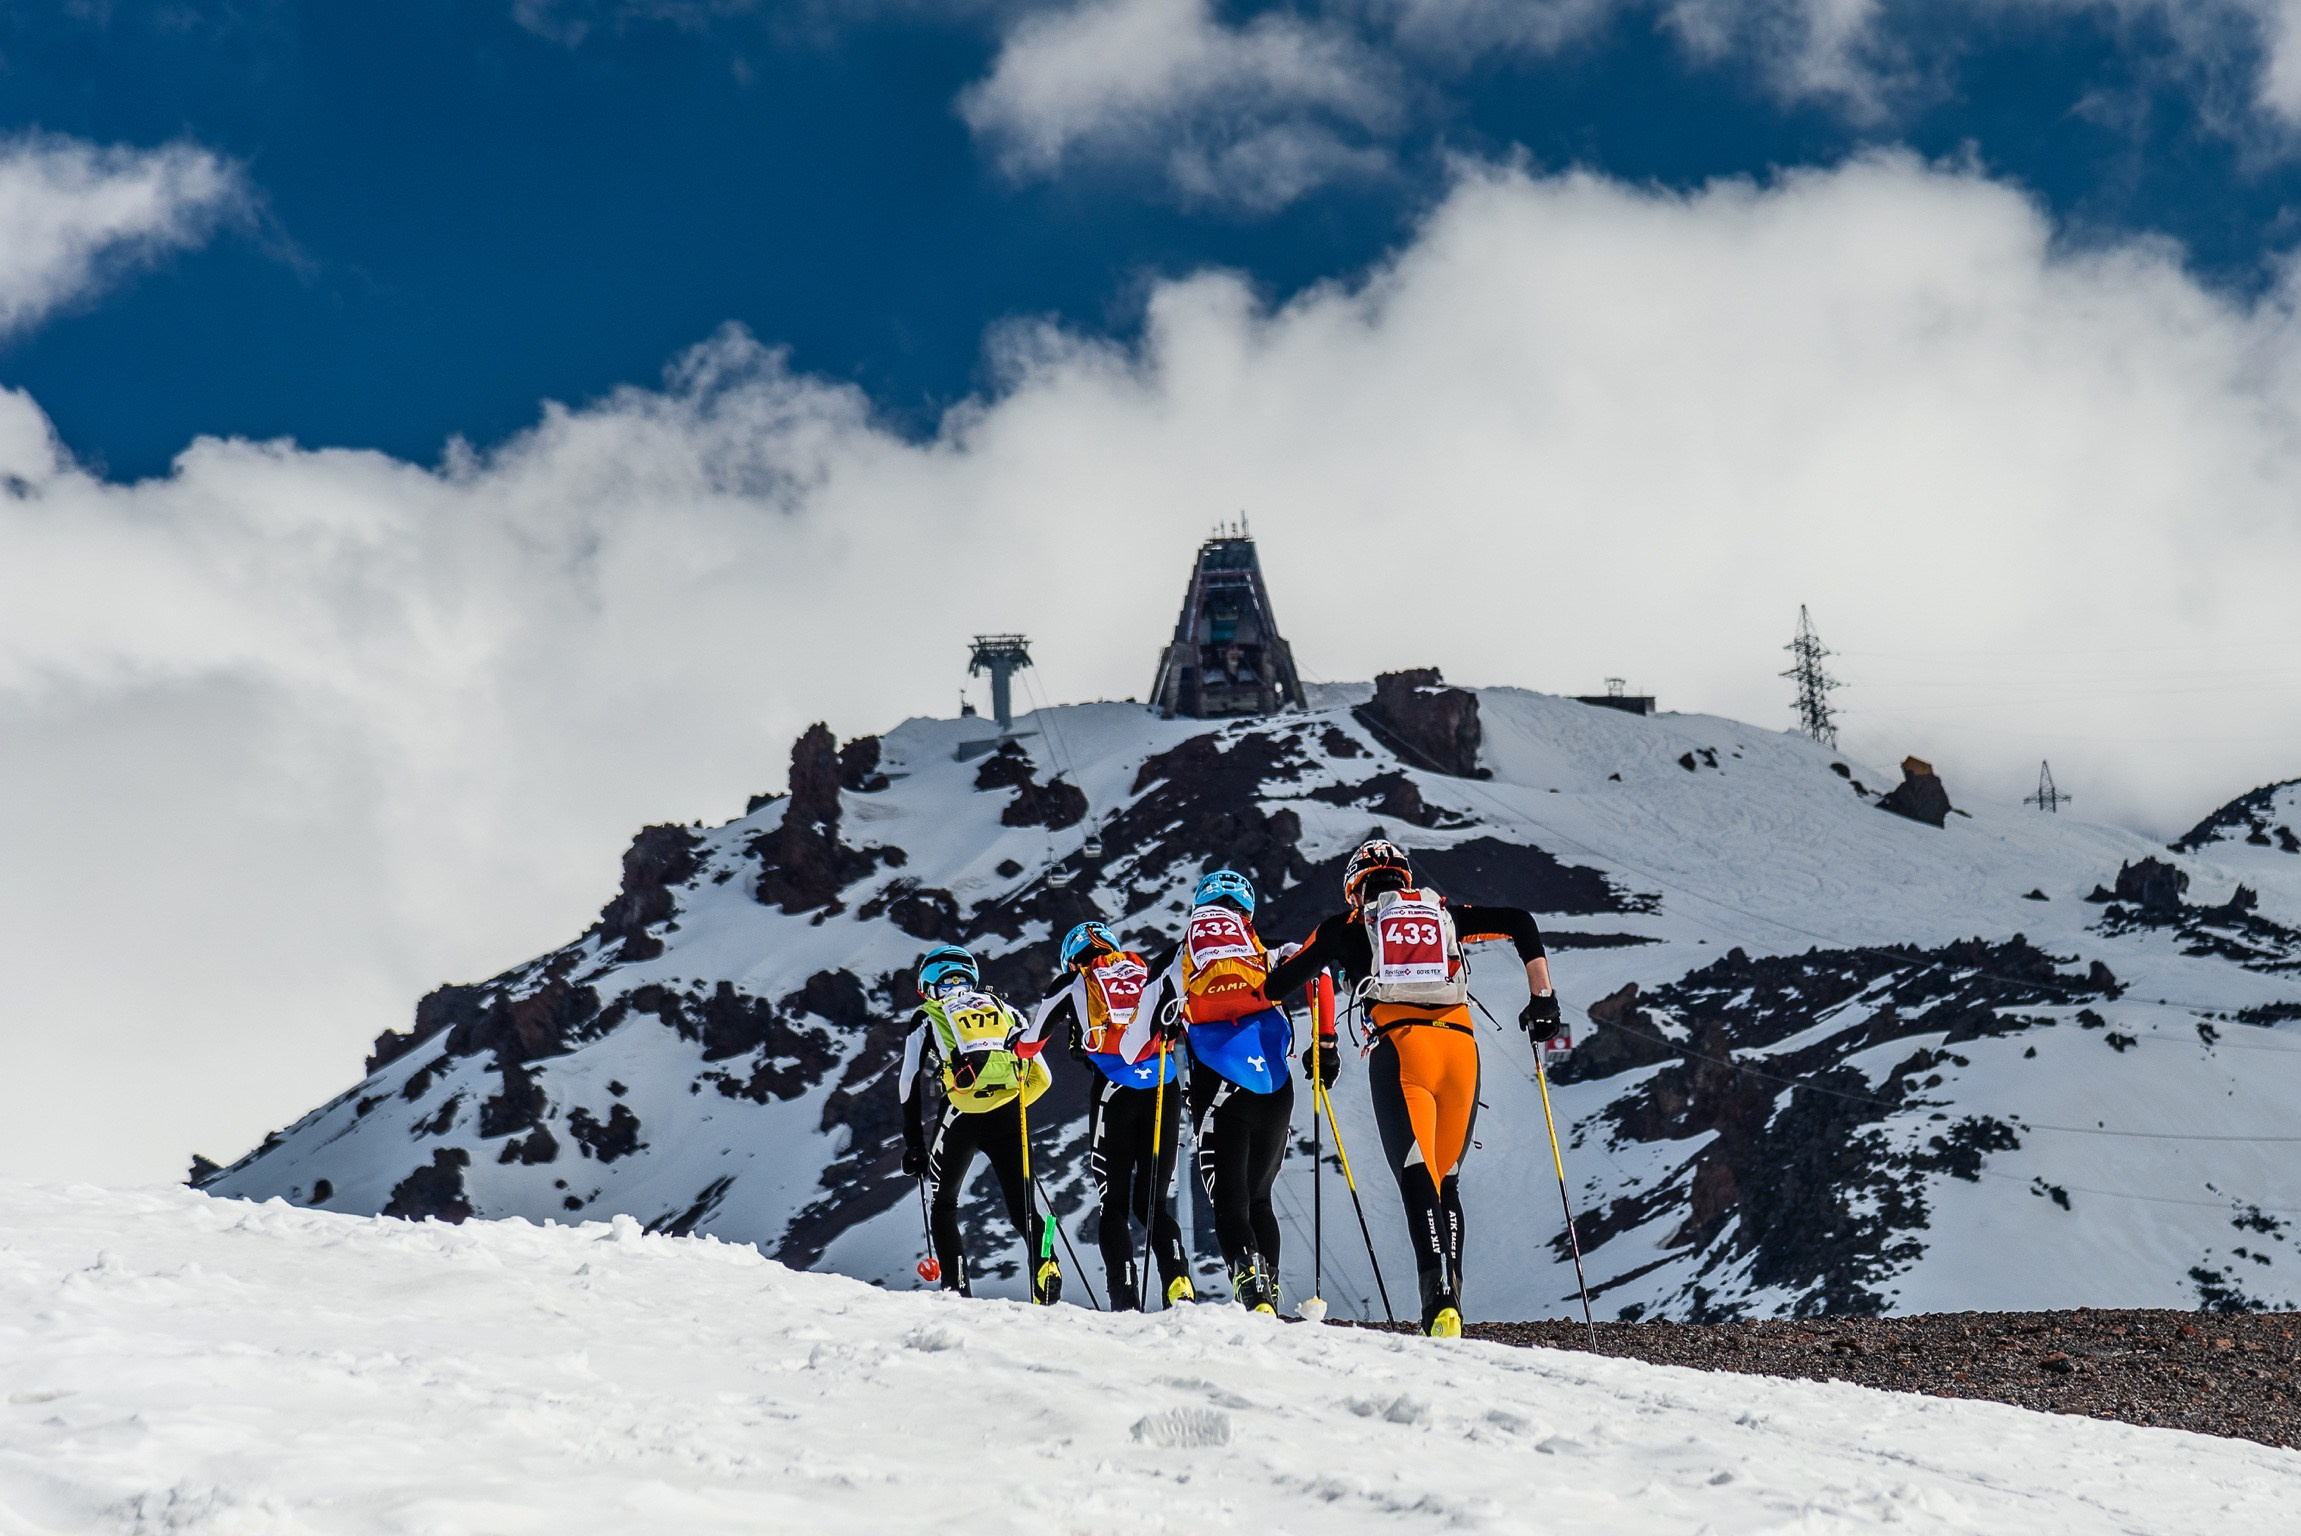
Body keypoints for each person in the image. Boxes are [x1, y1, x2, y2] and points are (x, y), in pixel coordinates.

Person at [1263, 839, 1558, 1338]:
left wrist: (1323, 1031)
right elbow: (1521, 922)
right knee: (1448, 1178)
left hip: (1402, 1052)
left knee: (1416, 1176)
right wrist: (1543, 999)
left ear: (1355, 890)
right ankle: (1454, 1303)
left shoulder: (1348, 928)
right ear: (1404, 879)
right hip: (1461, 1049)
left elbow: (1278, 986)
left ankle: (1437, 1304)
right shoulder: (1443, 915)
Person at [1141, 869, 1296, 1314]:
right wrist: (1325, 1045)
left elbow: (1136, 1042)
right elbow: (1319, 972)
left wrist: (1162, 1032)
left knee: (1230, 1203)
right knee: (1261, 1198)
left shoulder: (1181, 955)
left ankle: (1253, 1296)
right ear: (1247, 913)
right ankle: (1271, 1292)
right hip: (1275, 1090)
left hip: (1217, 1088)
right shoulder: (1268, 954)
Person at [1031, 921, 1193, 1311]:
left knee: (1114, 1205)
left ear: (1073, 960)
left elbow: (1031, 1039)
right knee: (1153, 1204)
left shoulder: (1075, 983)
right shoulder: (1146, 972)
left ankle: (1124, 1299)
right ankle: (1179, 1284)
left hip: (1114, 1089)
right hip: (1163, 1086)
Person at [899, 943, 1062, 1304]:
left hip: (961, 1115)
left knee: (944, 1207)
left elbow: (908, 1080)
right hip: (1008, 1115)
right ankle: (1047, 1261)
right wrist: (1008, 1103)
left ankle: (956, 1292)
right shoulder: (1005, 1009)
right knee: (1026, 1208)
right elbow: (1044, 1078)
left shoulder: (929, 1013)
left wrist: (914, 1144)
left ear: (928, 985)